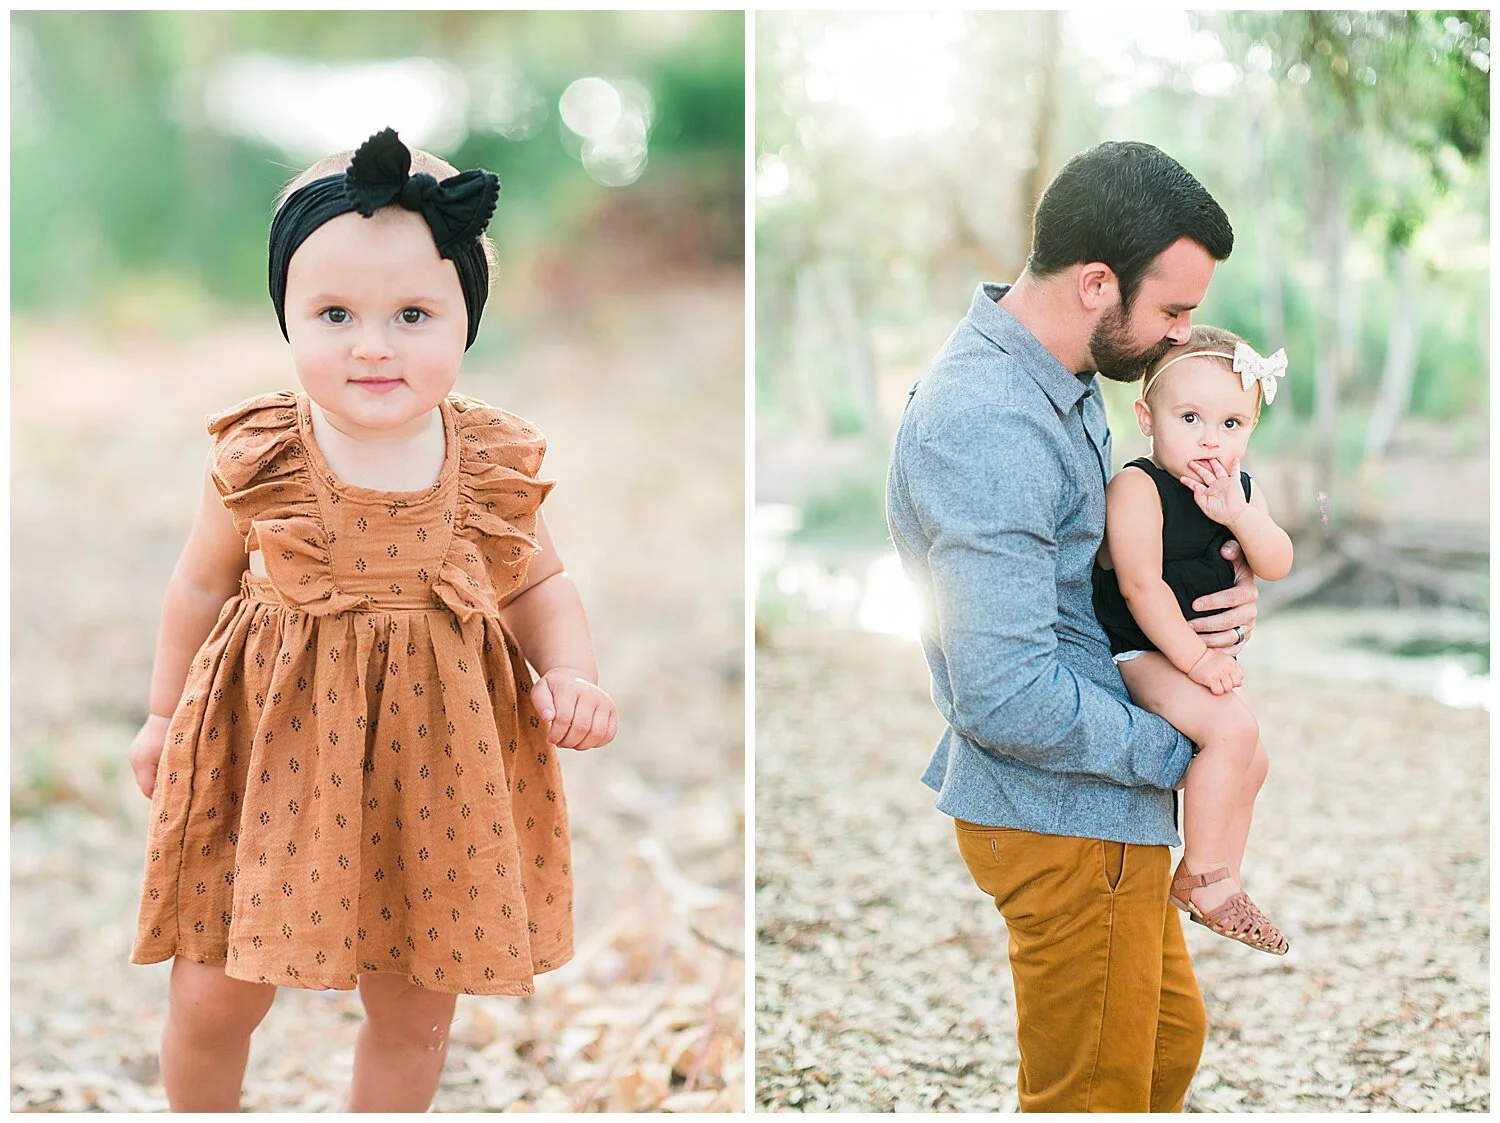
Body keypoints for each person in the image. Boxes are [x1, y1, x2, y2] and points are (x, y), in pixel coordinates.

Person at [127, 127, 618, 1112]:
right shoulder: (263, 453)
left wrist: (571, 674)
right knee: (215, 988)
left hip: (433, 761)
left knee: (415, 1002)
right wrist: (160, 712)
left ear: (466, 321)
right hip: (269, 744)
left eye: (413, 314)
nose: (372, 343)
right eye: (336, 312)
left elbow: (537, 585)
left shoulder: (485, 457)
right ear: (287, 319)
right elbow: (197, 587)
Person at [885, 140, 1255, 1112]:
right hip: (1057, 811)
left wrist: (1219, 592)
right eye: (1173, 310)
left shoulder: (1067, 377)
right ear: (1098, 282)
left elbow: (1087, 573)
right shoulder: (988, 421)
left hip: (1099, 800)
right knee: (1093, 1096)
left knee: (1166, 1047)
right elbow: (1002, 691)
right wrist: (1178, 748)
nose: (1182, 338)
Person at [1093, 325, 1292, 955]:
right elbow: (1140, 586)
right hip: (1142, 652)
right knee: (1233, 731)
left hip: (1187, 659)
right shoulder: (1138, 487)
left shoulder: (1239, 494)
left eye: (1232, 423)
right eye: (1191, 417)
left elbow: (1278, 559)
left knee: (1252, 761)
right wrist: (1199, 658)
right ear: (1148, 419)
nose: (1211, 438)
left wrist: (1239, 515)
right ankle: (1204, 874)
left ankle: (1216, 878)